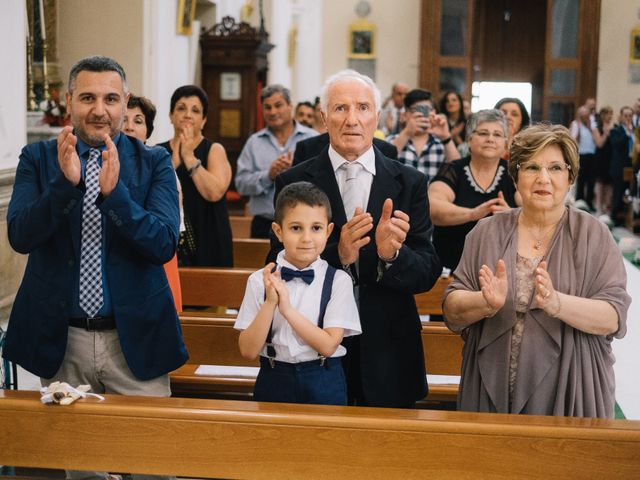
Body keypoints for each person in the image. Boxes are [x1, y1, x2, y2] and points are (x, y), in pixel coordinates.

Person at [4, 56, 188, 478]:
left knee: (153, 464)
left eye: (109, 98)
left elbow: (162, 242)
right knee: (81, 468)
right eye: (87, 97)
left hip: (135, 336)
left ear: (125, 102)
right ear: (69, 101)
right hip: (63, 337)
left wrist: (116, 196)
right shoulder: (38, 159)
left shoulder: (153, 162)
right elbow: (20, 235)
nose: (99, 109)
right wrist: (63, 187)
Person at [271, 70, 442, 408]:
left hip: (389, 349)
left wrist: (391, 256)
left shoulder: (410, 183)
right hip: (314, 348)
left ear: (377, 116)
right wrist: (338, 255)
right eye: (340, 108)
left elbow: (427, 270)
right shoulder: (292, 181)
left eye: (363, 108)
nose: (352, 119)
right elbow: (276, 264)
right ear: (323, 117)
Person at [443, 124, 630, 418]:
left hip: (571, 384)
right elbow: (452, 310)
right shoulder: (486, 232)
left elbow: (613, 316)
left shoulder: (593, 234)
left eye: (555, 167)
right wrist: (484, 302)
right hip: (492, 380)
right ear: (516, 176)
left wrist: (558, 304)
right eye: (531, 167)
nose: (543, 178)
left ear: (570, 177)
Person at [235, 181, 361, 405]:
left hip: (323, 378)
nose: (306, 238)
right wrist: (270, 303)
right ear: (278, 231)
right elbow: (247, 350)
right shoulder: (258, 281)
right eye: (296, 228)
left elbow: (329, 345)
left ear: (329, 231)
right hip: (274, 378)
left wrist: (287, 310)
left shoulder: (338, 281)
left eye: (316, 228)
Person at [429, 109, 520, 272]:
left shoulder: (515, 174)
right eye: (483, 133)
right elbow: (432, 207)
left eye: (497, 135)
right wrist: (473, 214)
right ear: (469, 140)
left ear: (506, 144)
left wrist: (512, 215)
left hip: (503, 270)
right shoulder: (453, 169)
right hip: (451, 268)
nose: (490, 139)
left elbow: (537, 212)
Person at [158, 85, 233, 266]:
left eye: (195, 110)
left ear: (204, 120)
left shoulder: (214, 150)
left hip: (209, 234)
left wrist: (189, 158)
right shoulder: (158, 152)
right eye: (181, 108)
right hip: (169, 234)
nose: (188, 115)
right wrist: (176, 160)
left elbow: (214, 193)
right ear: (171, 115)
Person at [124, 94, 183, 313]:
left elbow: (168, 226)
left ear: (147, 131)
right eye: (123, 120)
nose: (129, 127)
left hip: (155, 259)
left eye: (138, 121)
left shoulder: (159, 165)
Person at [235, 84, 317, 238]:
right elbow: (240, 184)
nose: (273, 112)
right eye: (267, 107)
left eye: (278, 105)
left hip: (306, 224)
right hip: (265, 225)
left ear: (290, 106)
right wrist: (268, 176)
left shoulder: (312, 138)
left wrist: (297, 171)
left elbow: (323, 180)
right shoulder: (254, 142)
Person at [387, 88, 460, 183]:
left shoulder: (442, 144)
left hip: (432, 196)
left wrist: (446, 137)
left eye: (426, 110)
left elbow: (457, 170)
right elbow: (382, 164)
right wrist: (407, 132)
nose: (421, 114)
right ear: (405, 115)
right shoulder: (391, 141)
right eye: (415, 110)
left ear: (433, 112)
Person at [609, 106, 635, 226]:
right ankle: (614, 218)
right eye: (626, 115)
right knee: (618, 193)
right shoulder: (616, 130)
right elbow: (617, 145)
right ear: (621, 117)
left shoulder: (636, 131)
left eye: (630, 116)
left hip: (632, 165)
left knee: (629, 192)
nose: (628, 118)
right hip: (620, 166)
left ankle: (627, 219)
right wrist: (627, 134)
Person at [570, 106, 597, 211]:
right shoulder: (576, 124)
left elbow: (596, 137)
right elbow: (573, 139)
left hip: (592, 155)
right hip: (581, 155)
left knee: (591, 180)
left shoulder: (592, 124)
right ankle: (579, 201)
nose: (585, 117)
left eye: (586, 114)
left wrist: (590, 126)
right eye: (583, 115)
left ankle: (589, 202)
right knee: (581, 180)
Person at [591, 106, 614, 219]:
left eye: (611, 114)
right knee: (600, 184)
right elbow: (599, 143)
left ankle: (607, 208)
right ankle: (599, 208)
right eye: (608, 114)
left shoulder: (614, 127)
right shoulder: (596, 128)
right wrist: (605, 133)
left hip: (611, 158)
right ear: (603, 115)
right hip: (600, 158)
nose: (610, 116)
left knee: (609, 185)